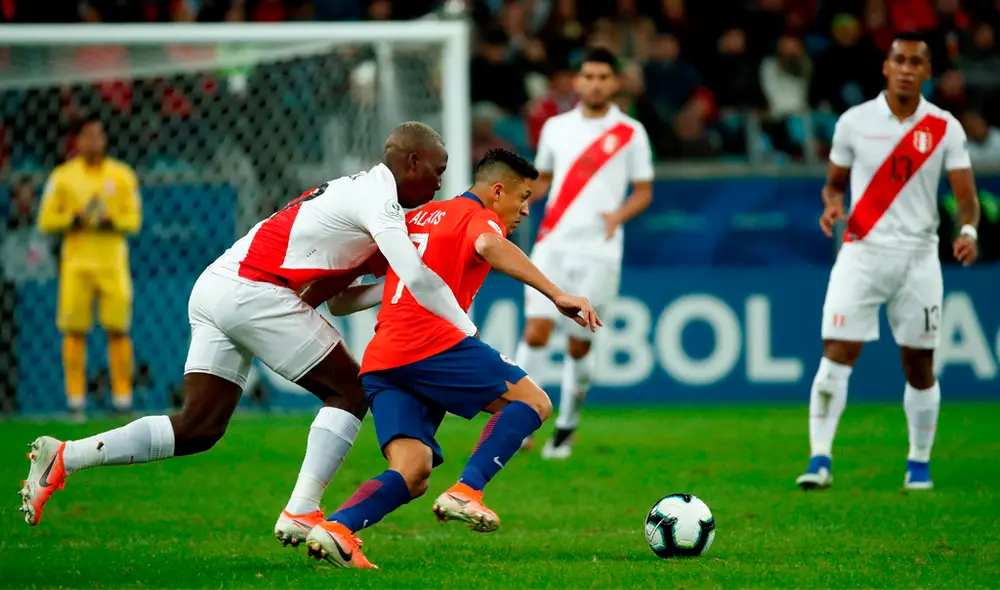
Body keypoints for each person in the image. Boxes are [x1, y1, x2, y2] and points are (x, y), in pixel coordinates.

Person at [18, 123, 478, 550]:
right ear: (412, 162)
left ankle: (66, 455)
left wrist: (392, 284)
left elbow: (337, 300)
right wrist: (468, 333)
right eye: (438, 171)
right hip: (254, 291)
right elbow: (418, 277)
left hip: (220, 285)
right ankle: (301, 511)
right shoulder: (379, 201)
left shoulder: (357, 194)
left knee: (199, 427)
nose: (440, 183)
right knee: (350, 390)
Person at [303, 148, 601, 569]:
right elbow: (488, 243)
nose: (526, 211)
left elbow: (342, 302)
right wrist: (556, 294)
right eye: (524, 197)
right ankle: (467, 490)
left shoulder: (415, 217)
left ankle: (337, 527)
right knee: (533, 402)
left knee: (413, 471)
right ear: (498, 190)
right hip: (431, 342)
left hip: (384, 357)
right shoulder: (476, 216)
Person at [796, 32, 980, 492]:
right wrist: (833, 204)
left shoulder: (944, 127)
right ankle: (820, 459)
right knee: (835, 356)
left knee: (919, 364)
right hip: (861, 252)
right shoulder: (854, 123)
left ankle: (918, 462)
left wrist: (968, 230)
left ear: (927, 70)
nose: (906, 68)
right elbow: (835, 183)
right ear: (885, 66)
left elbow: (966, 198)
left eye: (916, 61)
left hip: (919, 258)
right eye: (899, 59)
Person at [515, 47, 654, 459]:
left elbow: (643, 191)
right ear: (578, 82)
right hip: (552, 241)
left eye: (603, 77)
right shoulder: (556, 128)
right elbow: (544, 182)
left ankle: (567, 425)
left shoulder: (631, 132)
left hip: (599, 250)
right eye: (588, 75)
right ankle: (522, 422)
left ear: (615, 83)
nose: (595, 83)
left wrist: (618, 216)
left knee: (579, 345)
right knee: (535, 332)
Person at [36, 114, 142, 418]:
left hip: (112, 264)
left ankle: (122, 400)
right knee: (74, 331)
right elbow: (45, 220)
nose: (94, 141)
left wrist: (113, 221)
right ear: (77, 141)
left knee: (118, 330)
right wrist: (73, 219)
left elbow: (134, 220)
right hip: (76, 265)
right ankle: (76, 402)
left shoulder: (122, 176)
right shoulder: (63, 177)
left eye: (99, 135)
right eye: (88, 136)